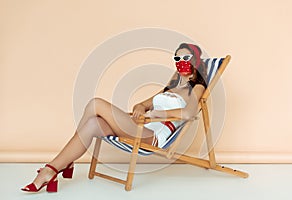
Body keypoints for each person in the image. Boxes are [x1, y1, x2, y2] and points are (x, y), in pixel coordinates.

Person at [21, 43, 208, 193]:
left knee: (95, 104)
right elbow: (142, 104)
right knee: (94, 123)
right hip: (141, 125)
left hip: (153, 136)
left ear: (195, 61)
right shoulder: (170, 87)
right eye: (177, 58)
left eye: (186, 57)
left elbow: (190, 113)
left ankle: (62, 164)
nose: (181, 61)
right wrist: (139, 109)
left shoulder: (196, 87)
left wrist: (161, 114)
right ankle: (53, 168)